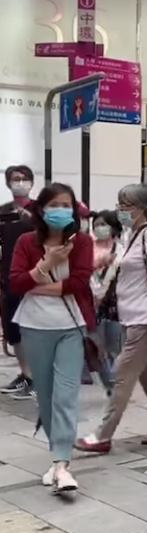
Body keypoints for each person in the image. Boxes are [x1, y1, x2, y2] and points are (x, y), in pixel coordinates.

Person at [74, 185, 147, 454]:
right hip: (132, 316)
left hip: (146, 318)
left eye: (127, 206)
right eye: (120, 204)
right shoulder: (130, 236)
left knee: (121, 373)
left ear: (143, 208)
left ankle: (103, 434)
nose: (121, 211)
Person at [8, 183, 94, 492]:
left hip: (71, 325)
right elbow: (15, 282)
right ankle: (56, 459)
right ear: (42, 209)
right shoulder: (26, 242)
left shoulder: (82, 242)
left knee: (66, 394)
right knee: (45, 396)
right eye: (55, 204)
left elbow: (80, 283)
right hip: (34, 325)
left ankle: (62, 465)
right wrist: (46, 264)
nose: (62, 210)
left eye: (67, 204)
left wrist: (38, 284)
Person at [0, 165, 37, 400]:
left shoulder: (41, 210)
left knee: (33, 330)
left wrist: (34, 220)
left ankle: (38, 377)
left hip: (35, 278)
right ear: (7, 183)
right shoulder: (3, 212)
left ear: (32, 182)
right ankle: (26, 374)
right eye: (15, 179)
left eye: (24, 179)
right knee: (13, 330)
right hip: (8, 278)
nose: (19, 182)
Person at [88, 210, 124, 394]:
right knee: (97, 345)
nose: (99, 228)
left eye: (103, 224)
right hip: (89, 301)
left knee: (114, 344)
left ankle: (115, 381)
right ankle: (110, 383)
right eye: (96, 225)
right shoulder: (87, 248)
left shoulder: (122, 250)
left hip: (114, 304)